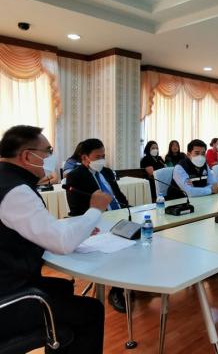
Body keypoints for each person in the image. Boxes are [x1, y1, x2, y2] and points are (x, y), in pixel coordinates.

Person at [0, 125, 110, 354]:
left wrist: (79, 228)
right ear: (27, 156)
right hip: (8, 298)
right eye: (48, 151)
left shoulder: (6, 180)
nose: (51, 157)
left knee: (63, 288)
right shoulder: (16, 191)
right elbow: (62, 243)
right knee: (92, 311)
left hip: (9, 280)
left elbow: (35, 227)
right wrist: (95, 210)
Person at [66, 138, 129, 313]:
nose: (102, 160)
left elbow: (118, 195)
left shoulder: (107, 172)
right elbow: (76, 209)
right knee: (118, 248)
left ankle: (133, 280)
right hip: (96, 223)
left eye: (104, 156)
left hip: (119, 217)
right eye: (97, 157)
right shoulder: (75, 176)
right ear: (85, 158)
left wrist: (128, 209)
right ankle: (116, 290)